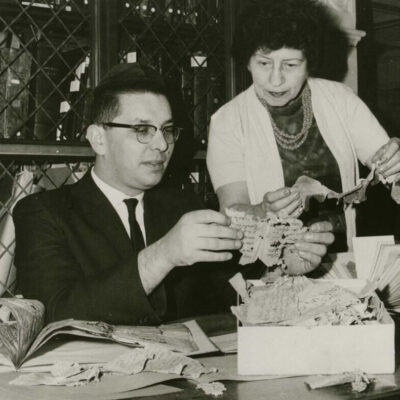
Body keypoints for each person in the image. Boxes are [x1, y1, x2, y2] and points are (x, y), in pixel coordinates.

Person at [13, 63, 244, 325]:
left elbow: (227, 293)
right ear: (99, 139)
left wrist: (273, 250)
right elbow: (54, 313)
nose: (162, 145)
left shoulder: (183, 206)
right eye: (142, 130)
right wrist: (164, 254)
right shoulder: (43, 212)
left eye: (167, 130)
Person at [207, 0, 400, 274]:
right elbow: (231, 212)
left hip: (345, 266)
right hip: (271, 275)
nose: (276, 80)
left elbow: (389, 171)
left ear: (308, 62)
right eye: (263, 63)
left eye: (290, 64)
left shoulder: (341, 100)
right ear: (247, 61)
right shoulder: (228, 121)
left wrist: (395, 162)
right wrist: (262, 209)